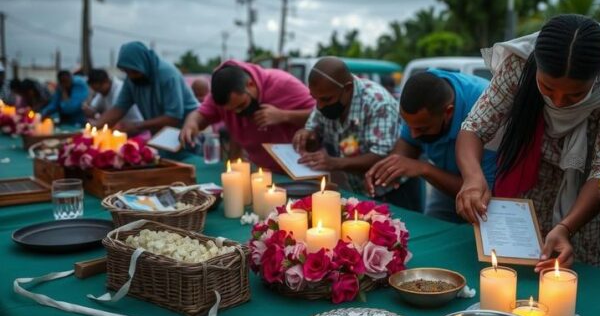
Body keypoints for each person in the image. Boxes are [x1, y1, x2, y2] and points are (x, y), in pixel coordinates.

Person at [456, 14, 600, 276]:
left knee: (584, 292)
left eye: (575, 94)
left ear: (596, 79)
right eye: (548, 88)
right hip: (530, 204)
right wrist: (472, 178)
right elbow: (474, 128)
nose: (559, 102)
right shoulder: (520, 63)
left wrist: (566, 227)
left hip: (589, 210)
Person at [365, 70, 497, 222]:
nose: (414, 135)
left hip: (486, 193)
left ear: (448, 112)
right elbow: (408, 143)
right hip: (444, 179)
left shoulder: (486, 109)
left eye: (422, 129)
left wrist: (424, 169)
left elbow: (482, 191)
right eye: (409, 126)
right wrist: (389, 167)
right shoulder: (421, 98)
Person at [292, 57, 420, 211]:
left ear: (347, 88)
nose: (319, 106)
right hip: (360, 189)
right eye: (315, 99)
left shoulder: (378, 103)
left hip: (394, 190)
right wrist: (307, 136)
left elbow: (382, 157)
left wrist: (334, 162)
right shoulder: (327, 95)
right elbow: (314, 131)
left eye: (326, 99)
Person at [180, 60, 315, 169]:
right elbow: (199, 116)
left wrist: (283, 116)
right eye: (231, 110)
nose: (238, 113)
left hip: (299, 170)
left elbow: (322, 117)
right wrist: (190, 124)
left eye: (242, 105)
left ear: (250, 84)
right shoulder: (221, 94)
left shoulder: (283, 84)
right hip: (262, 171)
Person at [94, 41, 198, 133]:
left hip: (185, 131)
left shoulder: (168, 75)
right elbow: (119, 108)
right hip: (160, 136)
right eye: (127, 72)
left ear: (143, 64)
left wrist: (137, 125)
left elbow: (173, 117)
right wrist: (95, 127)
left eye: (135, 72)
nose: (131, 76)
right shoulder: (131, 79)